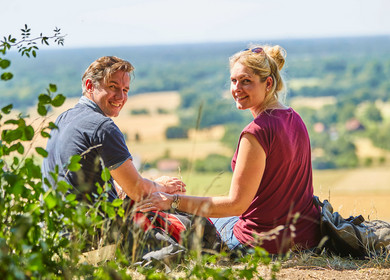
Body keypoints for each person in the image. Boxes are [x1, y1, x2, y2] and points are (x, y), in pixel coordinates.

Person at [136, 45, 321, 255]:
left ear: (268, 83)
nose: (237, 88)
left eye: (246, 81)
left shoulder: (256, 132)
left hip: (262, 245)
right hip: (306, 238)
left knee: (180, 219)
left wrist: (173, 201)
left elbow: (235, 205)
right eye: (234, 80)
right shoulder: (295, 118)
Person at [42, 56, 185, 203]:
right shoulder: (102, 127)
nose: (121, 97)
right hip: (95, 225)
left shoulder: (62, 119)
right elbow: (138, 191)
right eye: (112, 87)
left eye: (125, 90)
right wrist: (163, 186)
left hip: (55, 222)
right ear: (90, 86)